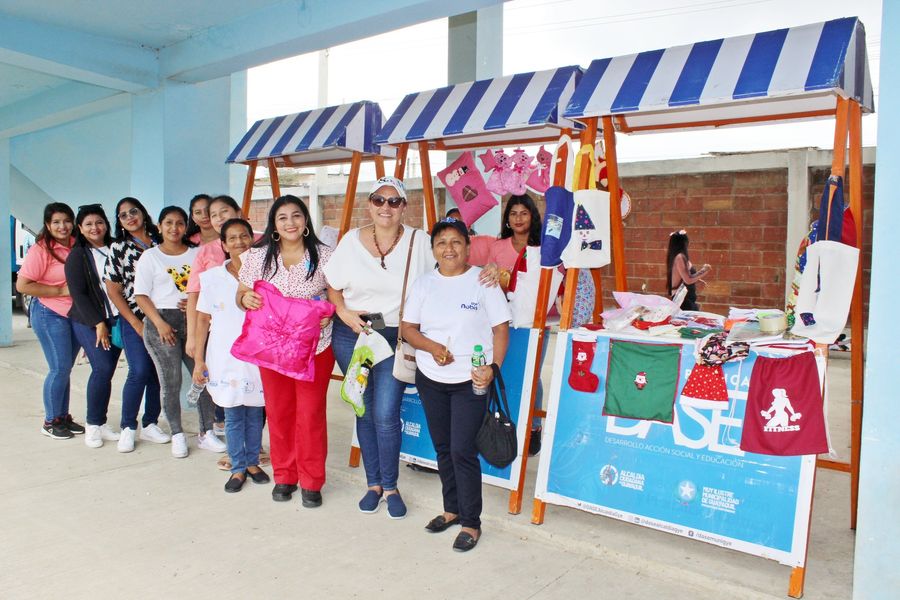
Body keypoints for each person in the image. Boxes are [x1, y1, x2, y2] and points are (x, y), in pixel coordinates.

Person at [325, 176, 433, 519]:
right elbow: (332, 286)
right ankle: (373, 484)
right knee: (364, 409)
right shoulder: (350, 241)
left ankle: (391, 486)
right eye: (379, 200)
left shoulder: (419, 241)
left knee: (386, 413)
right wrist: (343, 312)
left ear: (404, 207)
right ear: (369, 204)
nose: (386, 207)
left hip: (393, 337)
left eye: (394, 201)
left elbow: (446, 270)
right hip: (352, 335)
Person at [401, 218, 511, 552]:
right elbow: (408, 329)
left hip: (471, 381)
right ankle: (452, 509)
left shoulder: (483, 281)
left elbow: (500, 330)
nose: (448, 249)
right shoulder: (424, 284)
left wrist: (493, 367)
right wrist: (432, 347)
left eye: (456, 242)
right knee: (444, 448)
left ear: (467, 246)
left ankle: (471, 523)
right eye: (441, 242)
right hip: (430, 379)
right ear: (433, 249)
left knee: (463, 451)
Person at [237, 195, 334, 508]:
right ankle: (284, 475)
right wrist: (245, 300)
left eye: (296, 215)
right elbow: (242, 293)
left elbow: (337, 297)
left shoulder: (325, 255)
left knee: (310, 414)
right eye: (282, 217)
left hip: (314, 349)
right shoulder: (258, 255)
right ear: (274, 225)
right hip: (272, 350)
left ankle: (311, 480)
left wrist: (327, 314)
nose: (290, 222)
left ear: (305, 220)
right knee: (279, 412)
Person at [133, 205, 226, 459]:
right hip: (162, 323)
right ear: (160, 226)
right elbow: (141, 295)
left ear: (186, 227)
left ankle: (207, 432)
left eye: (180, 223)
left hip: (193, 321)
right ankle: (177, 434)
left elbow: (205, 286)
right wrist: (159, 323)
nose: (174, 228)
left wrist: (194, 302)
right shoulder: (150, 256)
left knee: (202, 376)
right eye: (169, 223)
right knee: (170, 381)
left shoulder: (197, 252)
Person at [467, 193, 547, 455]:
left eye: (524, 213)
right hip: (501, 322)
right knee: (503, 371)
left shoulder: (543, 247)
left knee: (532, 374)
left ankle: (534, 427)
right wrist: (491, 273)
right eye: (513, 213)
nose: (518, 218)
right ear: (507, 219)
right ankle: (499, 425)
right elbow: (486, 280)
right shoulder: (497, 246)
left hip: (534, 322)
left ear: (532, 216)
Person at [193, 218, 269, 493]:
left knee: (255, 410)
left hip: (257, 354)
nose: (239, 242)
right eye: (232, 238)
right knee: (233, 412)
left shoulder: (265, 274)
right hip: (224, 355)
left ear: (253, 240)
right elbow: (203, 319)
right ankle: (238, 467)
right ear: (223, 245)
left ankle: (252, 462)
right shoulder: (212, 278)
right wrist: (199, 359)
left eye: (244, 236)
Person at [103, 197, 169, 452]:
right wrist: (135, 323)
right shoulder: (119, 248)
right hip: (135, 318)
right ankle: (128, 427)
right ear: (119, 222)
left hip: (164, 316)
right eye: (123, 215)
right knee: (139, 370)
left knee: (157, 372)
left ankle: (151, 423)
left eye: (133, 211)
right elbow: (113, 290)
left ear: (143, 213)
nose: (130, 217)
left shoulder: (160, 241)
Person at [17, 202, 84, 439]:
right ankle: (50, 421)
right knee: (59, 368)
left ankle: (62, 417)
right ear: (47, 225)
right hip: (49, 313)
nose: (62, 226)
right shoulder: (41, 250)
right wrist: (60, 291)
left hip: (73, 314)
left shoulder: (78, 245)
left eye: (66, 221)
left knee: (65, 368)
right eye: (56, 222)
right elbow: (22, 285)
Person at [64, 204, 122, 448]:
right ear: (80, 228)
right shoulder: (78, 255)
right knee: (102, 368)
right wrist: (98, 323)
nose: (95, 228)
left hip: (117, 318)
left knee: (108, 370)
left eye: (99, 222)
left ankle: (101, 422)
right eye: (88, 224)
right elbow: (78, 294)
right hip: (89, 320)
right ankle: (92, 425)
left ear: (106, 224)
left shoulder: (116, 247)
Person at [666, 229, 712, 311]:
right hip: (683, 301)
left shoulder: (679, 257)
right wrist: (704, 271)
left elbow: (685, 277)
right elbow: (688, 280)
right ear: (684, 243)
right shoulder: (680, 257)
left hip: (687, 299)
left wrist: (697, 280)